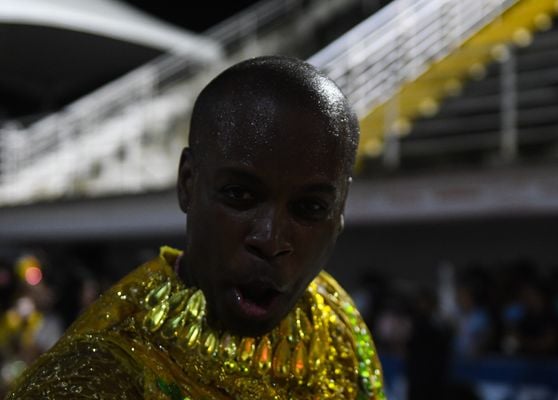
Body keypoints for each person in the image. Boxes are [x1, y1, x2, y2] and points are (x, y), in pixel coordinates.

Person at [7, 56, 386, 399]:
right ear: (188, 183)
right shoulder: (96, 376)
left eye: (310, 207)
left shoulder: (336, 322)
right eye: (239, 194)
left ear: (340, 211)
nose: (271, 240)